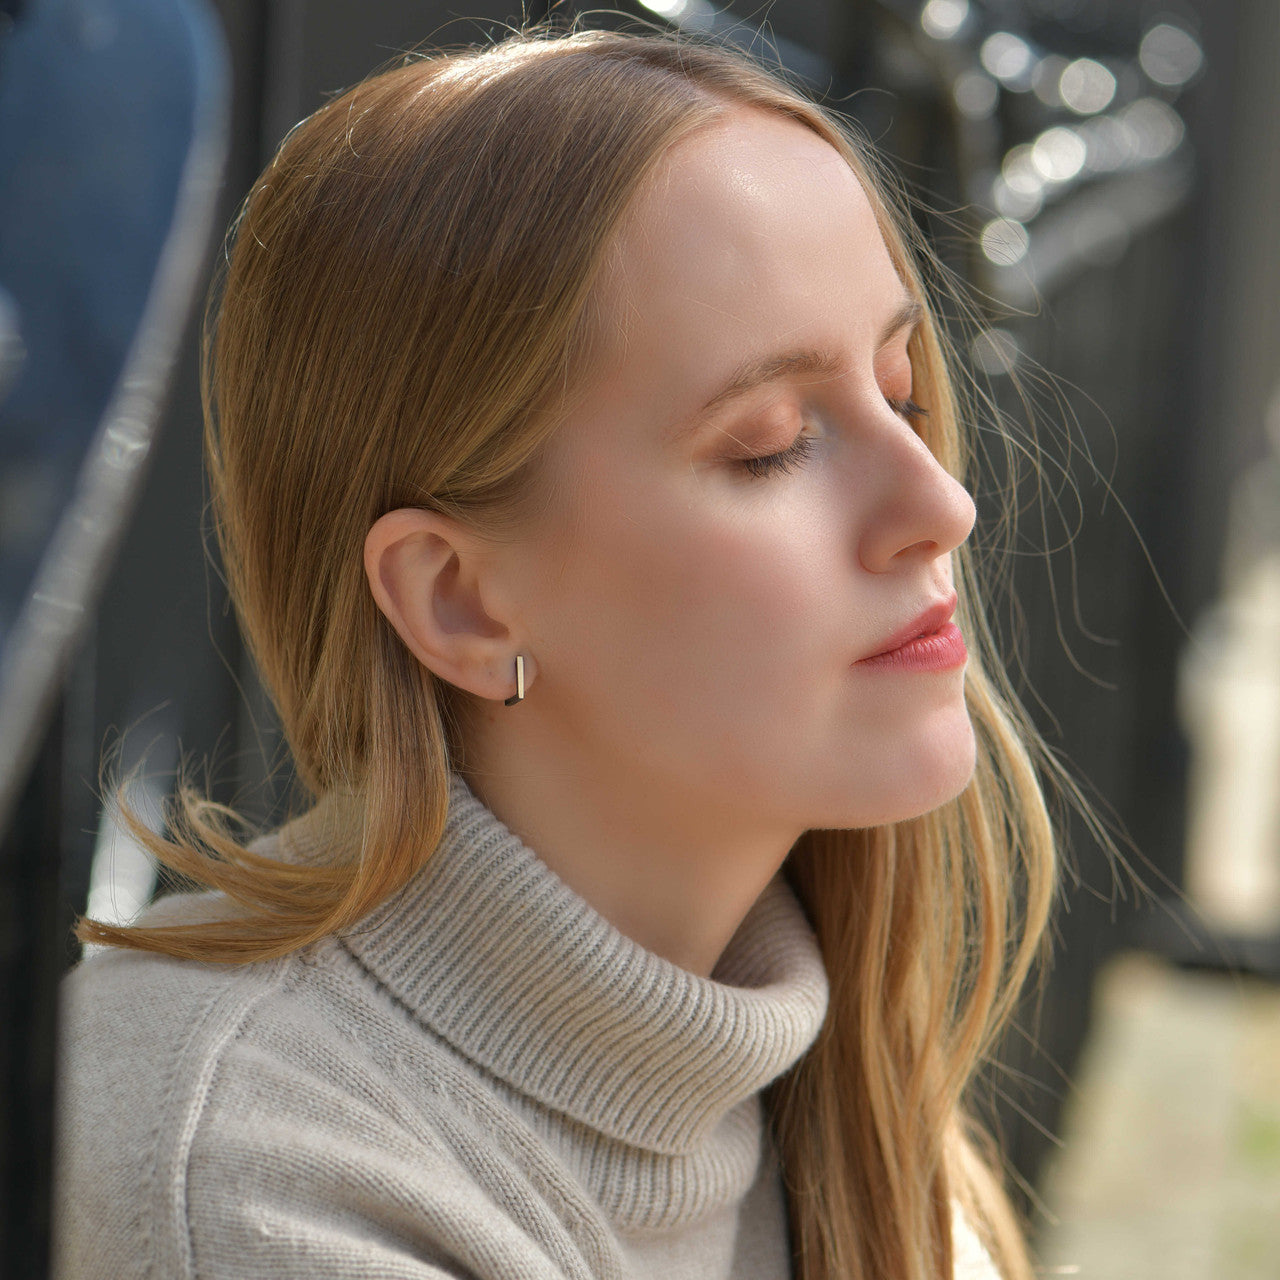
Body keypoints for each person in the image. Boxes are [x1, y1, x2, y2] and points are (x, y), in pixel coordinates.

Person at [54, 27, 1059, 1280]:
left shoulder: (818, 1088)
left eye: (902, 394)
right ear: (463, 601)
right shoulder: (244, 1177)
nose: (940, 505)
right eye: (766, 443)